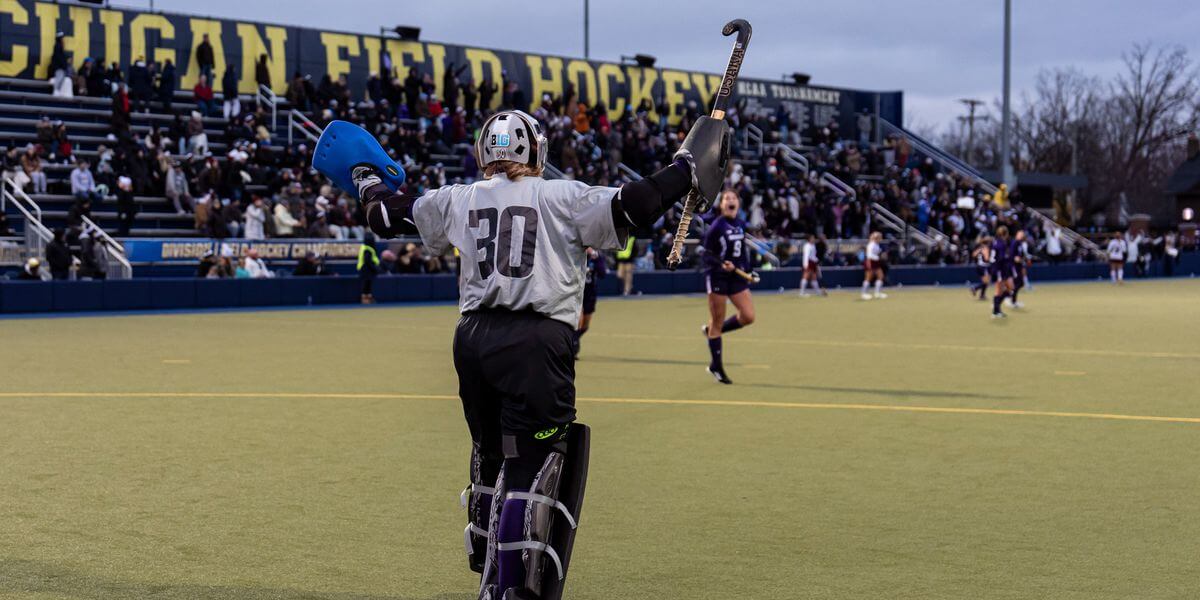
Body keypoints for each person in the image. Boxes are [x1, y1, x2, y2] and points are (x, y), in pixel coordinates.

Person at [338, 107, 725, 599]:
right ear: (536, 150)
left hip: (473, 338)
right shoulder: (561, 196)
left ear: (485, 152)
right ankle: (507, 585)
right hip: (536, 342)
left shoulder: (459, 199)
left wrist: (365, 176)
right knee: (532, 463)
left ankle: (484, 551)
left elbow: (382, 215)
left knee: (491, 450)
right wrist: (686, 169)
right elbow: (638, 204)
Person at [700, 190, 756, 384]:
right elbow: (706, 255)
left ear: (738, 204)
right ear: (721, 205)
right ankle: (716, 367)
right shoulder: (717, 226)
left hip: (735, 277)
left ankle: (712, 332)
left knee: (748, 316)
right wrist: (721, 264)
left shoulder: (740, 224)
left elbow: (742, 254)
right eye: (727, 199)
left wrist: (749, 271)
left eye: (734, 198)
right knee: (717, 320)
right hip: (717, 277)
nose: (731, 201)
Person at [574, 247, 607, 358]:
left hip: (590, 294)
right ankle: (573, 349)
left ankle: (574, 340)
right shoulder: (575, 254)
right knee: (578, 322)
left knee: (585, 326)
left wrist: (595, 256)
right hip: (576, 293)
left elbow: (602, 273)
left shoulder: (595, 257)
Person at [990, 226, 1016, 318]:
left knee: (1008, 288)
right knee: (999, 290)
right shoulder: (1001, 244)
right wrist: (1009, 258)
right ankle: (995, 311)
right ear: (1006, 234)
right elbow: (1001, 258)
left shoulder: (996, 242)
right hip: (999, 269)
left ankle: (996, 308)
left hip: (998, 268)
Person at [861, 231, 886, 300]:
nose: (881, 239)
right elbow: (869, 255)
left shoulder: (876, 244)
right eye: (880, 238)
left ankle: (877, 293)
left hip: (875, 262)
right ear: (876, 238)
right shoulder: (871, 245)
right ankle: (864, 293)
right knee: (868, 278)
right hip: (870, 262)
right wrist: (876, 259)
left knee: (880, 276)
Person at [357, 233, 380, 304]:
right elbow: (367, 260)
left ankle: (368, 298)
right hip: (366, 268)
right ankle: (365, 299)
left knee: (368, 283)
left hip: (365, 268)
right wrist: (374, 268)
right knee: (366, 284)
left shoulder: (364, 247)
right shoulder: (368, 249)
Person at [970, 235, 992, 301]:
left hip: (979, 266)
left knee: (984, 282)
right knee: (986, 282)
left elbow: (973, 255)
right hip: (984, 266)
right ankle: (975, 288)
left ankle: (982, 295)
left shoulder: (980, 248)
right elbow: (986, 258)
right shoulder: (986, 248)